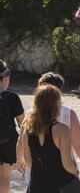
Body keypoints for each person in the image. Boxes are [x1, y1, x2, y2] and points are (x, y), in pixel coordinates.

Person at [16, 72, 80, 186]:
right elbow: (79, 144)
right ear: (59, 92)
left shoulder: (29, 116)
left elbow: (21, 142)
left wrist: (20, 158)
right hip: (63, 176)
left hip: (37, 176)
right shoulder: (68, 114)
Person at [20, 85, 80, 193]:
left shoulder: (27, 127)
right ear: (55, 105)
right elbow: (67, 163)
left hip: (37, 184)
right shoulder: (62, 129)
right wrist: (76, 172)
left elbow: (28, 158)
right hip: (61, 184)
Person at [0, 60, 25, 193]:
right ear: (4, 78)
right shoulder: (12, 97)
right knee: (4, 177)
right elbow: (23, 123)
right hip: (8, 142)